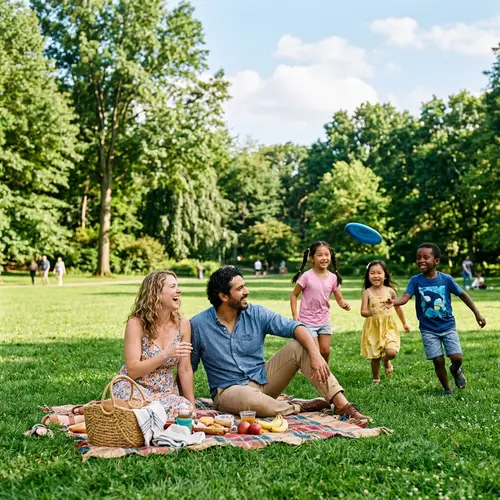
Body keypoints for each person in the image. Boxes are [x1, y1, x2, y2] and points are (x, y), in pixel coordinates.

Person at [190, 266, 371, 420]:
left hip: (262, 380)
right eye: (240, 288)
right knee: (249, 400)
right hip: (228, 391)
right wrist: (186, 404)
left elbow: (295, 327)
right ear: (223, 296)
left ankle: (341, 405)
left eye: (245, 286)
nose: (246, 291)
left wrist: (316, 354)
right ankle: (299, 407)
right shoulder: (199, 325)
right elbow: (188, 368)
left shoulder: (256, 313)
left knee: (300, 345)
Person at [387, 243, 486, 395]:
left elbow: (463, 295)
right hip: (428, 329)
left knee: (456, 357)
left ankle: (455, 369)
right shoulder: (415, 280)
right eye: (418, 258)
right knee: (438, 360)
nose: (421, 260)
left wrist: (477, 313)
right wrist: (392, 302)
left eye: (426, 257)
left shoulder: (446, 279)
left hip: (448, 326)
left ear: (437, 261)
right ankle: (448, 389)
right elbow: (405, 298)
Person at [113, 270, 195, 419]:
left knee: (184, 408)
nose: (179, 290)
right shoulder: (136, 324)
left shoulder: (183, 324)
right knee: (136, 404)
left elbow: (185, 369)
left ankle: (122, 411)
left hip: (164, 393)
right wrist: (165, 355)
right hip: (134, 387)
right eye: (172, 286)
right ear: (156, 294)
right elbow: (133, 370)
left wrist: (192, 407)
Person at [290, 241, 350, 363]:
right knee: (315, 351)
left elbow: (339, 298)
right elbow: (294, 295)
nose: (324, 258)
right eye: (320, 255)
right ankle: (315, 372)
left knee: (325, 350)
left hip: (324, 319)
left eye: (327, 254)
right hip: (307, 320)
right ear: (312, 258)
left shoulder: (333, 278)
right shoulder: (307, 276)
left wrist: (343, 304)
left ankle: (325, 370)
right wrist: (295, 315)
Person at [360, 261, 410, 384]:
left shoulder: (390, 291)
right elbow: (362, 312)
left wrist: (404, 323)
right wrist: (371, 312)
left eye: (379, 273)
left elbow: (398, 307)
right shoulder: (367, 293)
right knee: (375, 356)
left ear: (385, 275)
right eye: (372, 273)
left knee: (391, 352)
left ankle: (386, 360)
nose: (376, 276)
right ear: (368, 276)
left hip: (388, 326)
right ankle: (376, 378)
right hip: (373, 328)